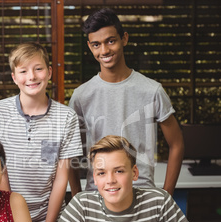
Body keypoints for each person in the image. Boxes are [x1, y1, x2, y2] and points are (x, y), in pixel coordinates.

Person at [69, 8, 184, 196]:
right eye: (96, 44)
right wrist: (76, 197)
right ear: (90, 47)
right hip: (97, 197)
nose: (104, 50)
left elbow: (177, 143)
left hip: (143, 194)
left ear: (124, 39)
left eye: (111, 41)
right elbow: (70, 151)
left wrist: (167, 195)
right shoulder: (81, 96)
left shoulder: (152, 90)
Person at [42, 135, 195, 222]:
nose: (110, 180)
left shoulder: (160, 201)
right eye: (102, 173)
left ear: (134, 173)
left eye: (119, 171)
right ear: (94, 178)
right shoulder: (82, 205)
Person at [0, 42, 83, 222]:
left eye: (38, 68)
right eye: (23, 71)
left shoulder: (66, 117)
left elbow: (61, 178)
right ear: (14, 77)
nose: (31, 76)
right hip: (6, 215)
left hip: (52, 220)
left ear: (48, 72)